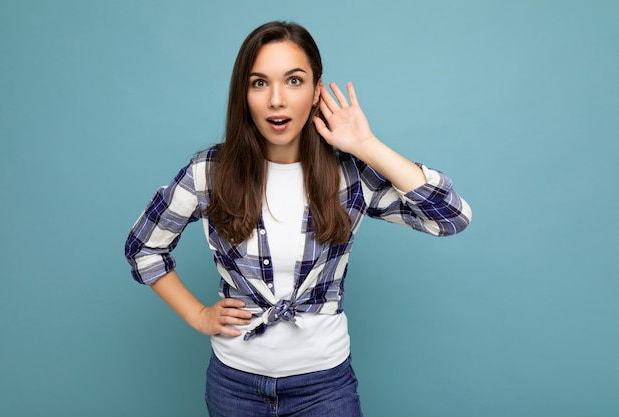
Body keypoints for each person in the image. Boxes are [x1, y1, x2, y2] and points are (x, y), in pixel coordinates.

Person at [125, 20, 471, 417]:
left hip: (324, 387)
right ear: (244, 94)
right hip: (234, 386)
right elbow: (143, 248)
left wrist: (367, 145)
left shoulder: (350, 173)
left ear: (316, 91)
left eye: (293, 81)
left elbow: (450, 216)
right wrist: (198, 315)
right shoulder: (209, 171)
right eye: (259, 83)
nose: (276, 99)